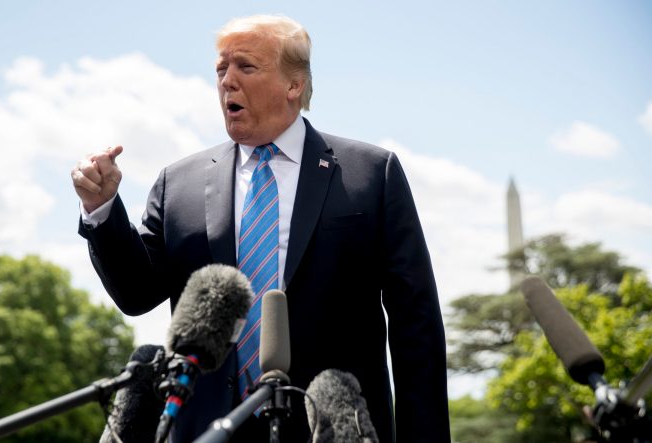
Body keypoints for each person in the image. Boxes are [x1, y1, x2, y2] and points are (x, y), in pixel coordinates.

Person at [72, 14, 450, 443]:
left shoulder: (371, 174)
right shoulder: (178, 183)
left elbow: (415, 324)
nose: (227, 81)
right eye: (221, 69)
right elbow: (137, 294)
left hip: (331, 428)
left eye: (246, 67)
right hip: (207, 430)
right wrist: (101, 209)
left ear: (294, 84)